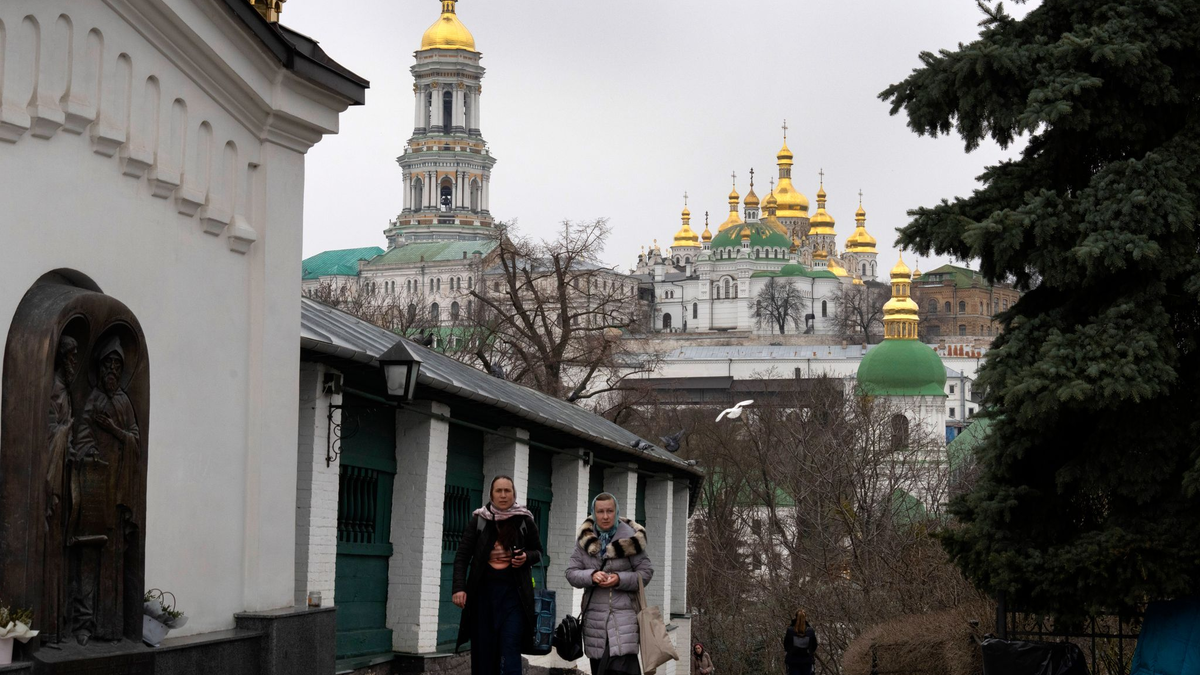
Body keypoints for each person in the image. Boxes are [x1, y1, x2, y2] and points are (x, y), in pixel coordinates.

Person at [452, 476, 544, 675]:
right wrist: (459, 588)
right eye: (498, 491)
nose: (503, 495)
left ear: (514, 494)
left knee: (510, 649)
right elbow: (462, 557)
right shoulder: (480, 519)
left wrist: (526, 557)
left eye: (507, 491)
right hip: (483, 597)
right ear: (491, 494)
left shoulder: (524, 520)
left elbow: (538, 552)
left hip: (514, 598)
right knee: (483, 654)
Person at [566, 493, 653, 675]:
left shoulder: (631, 540)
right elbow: (571, 573)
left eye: (609, 511)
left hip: (624, 622)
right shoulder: (585, 540)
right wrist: (592, 576)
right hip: (595, 626)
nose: (605, 516)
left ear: (616, 512)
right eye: (600, 511)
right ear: (594, 513)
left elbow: (645, 573)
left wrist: (619, 579)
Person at [783, 609, 818, 675]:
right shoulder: (810, 631)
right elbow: (814, 646)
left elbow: (786, 645)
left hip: (793, 660)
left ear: (796, 617)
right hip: (807, 661)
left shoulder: (790, 630)